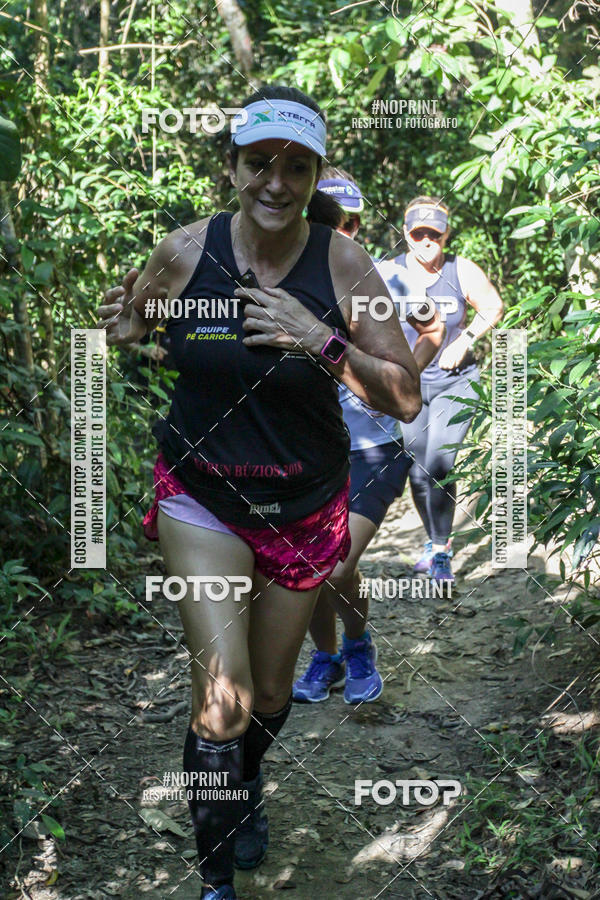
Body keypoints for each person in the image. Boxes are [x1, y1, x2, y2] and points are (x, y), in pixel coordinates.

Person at [97, 86, 422, 900]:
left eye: (297, 168)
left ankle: (238, 794)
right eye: (258, 164)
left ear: (316, 175)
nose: (276, 183)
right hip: (201, 495)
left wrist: (320, 340)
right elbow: (137, 328)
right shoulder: (184, 249)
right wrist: (128, 328)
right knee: (224, 698)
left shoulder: (343, 262)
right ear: (232, 167)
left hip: (304, 503)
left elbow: (405, 395)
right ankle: (215, 884)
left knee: (271, 695)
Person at [293, 169, 445, 705]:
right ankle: (326, 657)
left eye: (343, 223)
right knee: (306, 565)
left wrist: (396, 382)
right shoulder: (281, 282)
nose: (332, 233)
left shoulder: (387, 280)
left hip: (375, 449)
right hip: (304, 453)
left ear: (356, 226)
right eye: (318, 221)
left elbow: (433, 330)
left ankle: (357, 646)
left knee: (333, 564)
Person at [378, 197, 504, 584]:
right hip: (409, 388)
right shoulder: (388, 272)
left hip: (456, 383)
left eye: (435, 233)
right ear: (406, 232)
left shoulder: (460, 270)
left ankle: (442, 550)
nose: (427, 241)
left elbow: (493, 305)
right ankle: (434, 543)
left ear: (446, 234)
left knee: (439, 464)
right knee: (418, 471)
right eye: (419, 233)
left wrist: (464, 339)